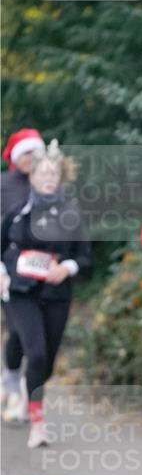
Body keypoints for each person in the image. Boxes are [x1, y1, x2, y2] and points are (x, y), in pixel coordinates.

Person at [0, 140, 91, 448]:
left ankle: (32, 387)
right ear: (33, 176)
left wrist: (66, 267)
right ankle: (38, 423)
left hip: (56, 294)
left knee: (47, 360)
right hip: (21, 291)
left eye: (54, 173)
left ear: (60, 177)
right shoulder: (17, 212)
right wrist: (2, 274)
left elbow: (84, 256)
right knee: (35, 352)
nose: (49, 178)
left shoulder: (72, 214)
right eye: (43, 173)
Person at [1, 128, 46, 422]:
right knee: (19, 330)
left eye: (36, 152)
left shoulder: (49, 185)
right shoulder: (4, 185)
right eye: (27, 153)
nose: (32, 159)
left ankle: (16, 383)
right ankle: (14, 385)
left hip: (43, 274)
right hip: (8, 272)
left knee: (34, 337)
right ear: (17, 157)